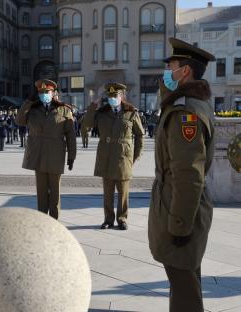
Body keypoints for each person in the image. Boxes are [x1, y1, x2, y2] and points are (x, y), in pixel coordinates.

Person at [148, 37, 216, 312]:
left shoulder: (185, 113)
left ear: (185, 71)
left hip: (180, 213)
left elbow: (188, 174)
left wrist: (178, 225)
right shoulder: (191, 105)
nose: (167, 72)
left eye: (172, 66)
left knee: (185, 291)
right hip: (183, 209)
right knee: (185, 285)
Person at [82, 83, 144, 230]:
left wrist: (134, 157)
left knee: (123, 191)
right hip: (107, 156)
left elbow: (140, 135)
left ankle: (122, 219)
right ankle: (108, 219)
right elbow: (85, 126)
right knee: (108, 192)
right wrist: (92, 107)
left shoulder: (131, 112)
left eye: (115, 96)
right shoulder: (102, 113)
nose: (112, 99)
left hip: (123, 157)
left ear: (121, 96)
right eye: (110, 96)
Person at [15, 79, 76, 220]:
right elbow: (19, 121)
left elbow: (71, 136)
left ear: (53, 93)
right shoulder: (33, 109)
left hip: (56, 155)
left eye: (47, 92)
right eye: (41, 92)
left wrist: (71, 156)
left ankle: (54, 220)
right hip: (38, 155)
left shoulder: (64, 110)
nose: (44, 95)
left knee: (55, 191)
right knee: (41, 191)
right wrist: (28, 102)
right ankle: (43, 220)